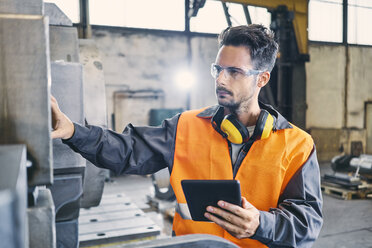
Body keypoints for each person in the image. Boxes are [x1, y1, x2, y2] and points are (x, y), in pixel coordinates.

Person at [51, 24, 323, 247]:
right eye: (218, 69)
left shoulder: (296, 145)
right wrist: (74, 131)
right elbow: (127, 151)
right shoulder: (185, 126)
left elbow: (306, 223)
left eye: (234, 72)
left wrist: (261, 224)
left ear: (261, 79)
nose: (220, 79)